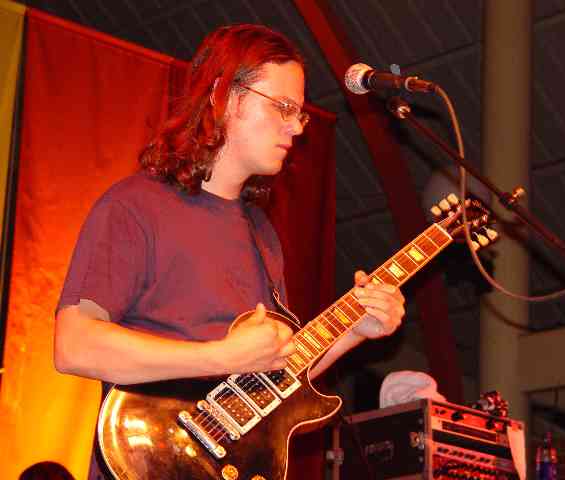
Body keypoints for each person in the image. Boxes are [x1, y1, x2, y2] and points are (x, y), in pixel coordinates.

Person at [54, 24, 405, 479]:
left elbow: (274, 372)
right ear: (227, 96)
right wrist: (221, 357)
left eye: (299, 115)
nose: (294, 127)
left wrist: (355, 330)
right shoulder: (135, 206)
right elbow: (74, 345)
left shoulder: (261, 234)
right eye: (282, 107)